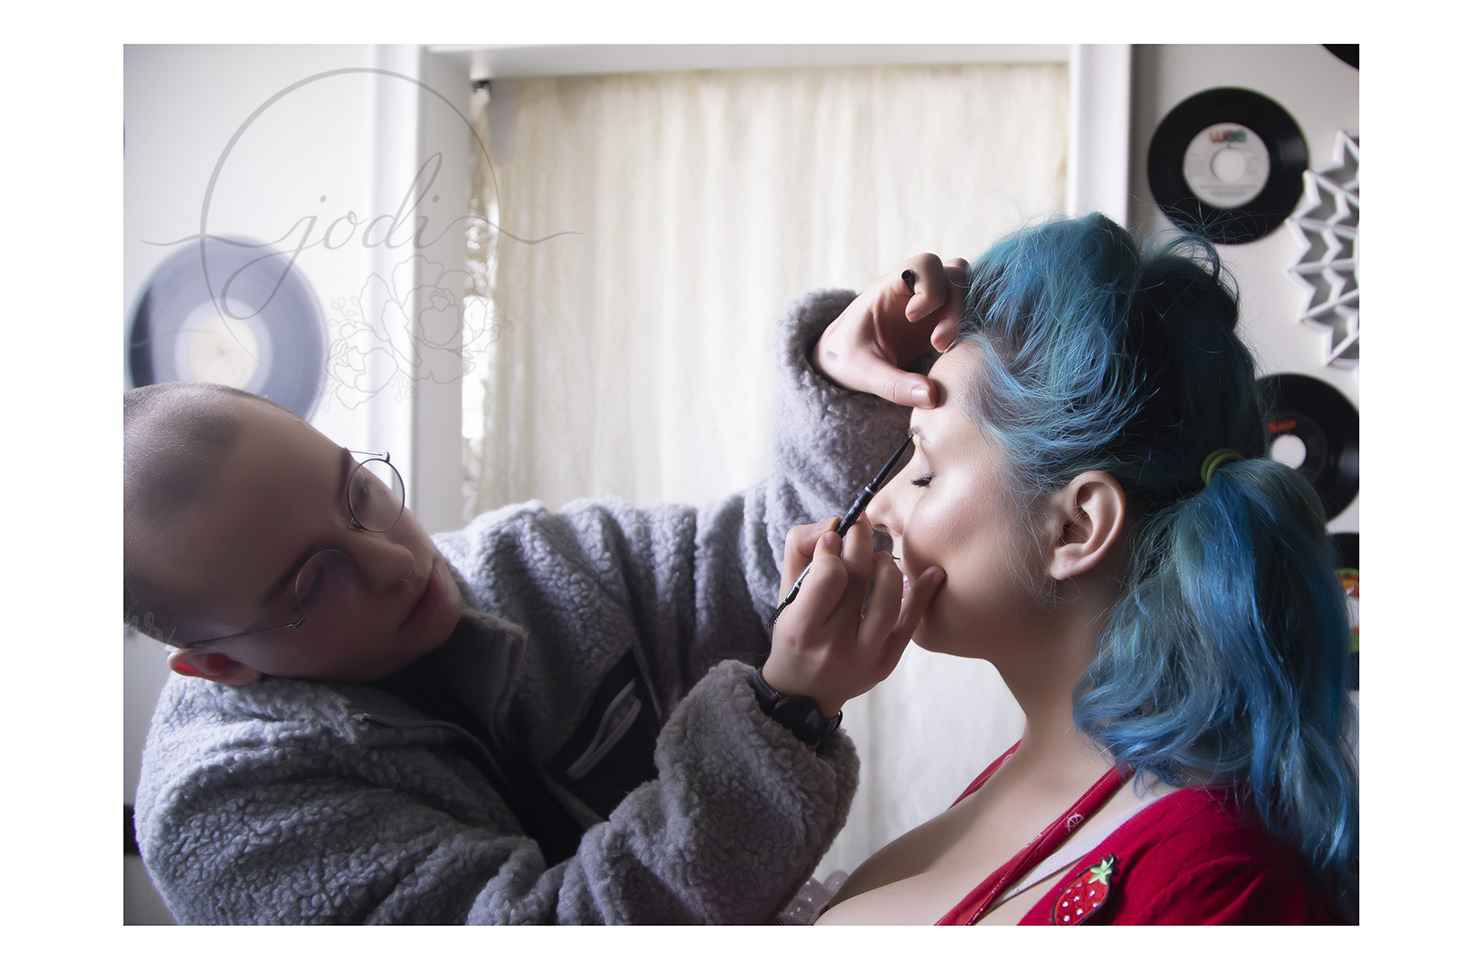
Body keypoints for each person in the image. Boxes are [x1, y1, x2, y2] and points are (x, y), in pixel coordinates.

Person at [125, 259, 957, 925]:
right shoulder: (226, 821)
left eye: (359, 494)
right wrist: (783, 716)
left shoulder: (529, 565)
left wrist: (843, 379)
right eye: (316, 582)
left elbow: (753, 556)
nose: (394, 562)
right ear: (216, 664)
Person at [778, 213, 1358, 924]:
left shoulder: (1217, 890)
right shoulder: (1037, 775)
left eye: (922, 470)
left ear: (1075, 528)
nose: (876, 510)